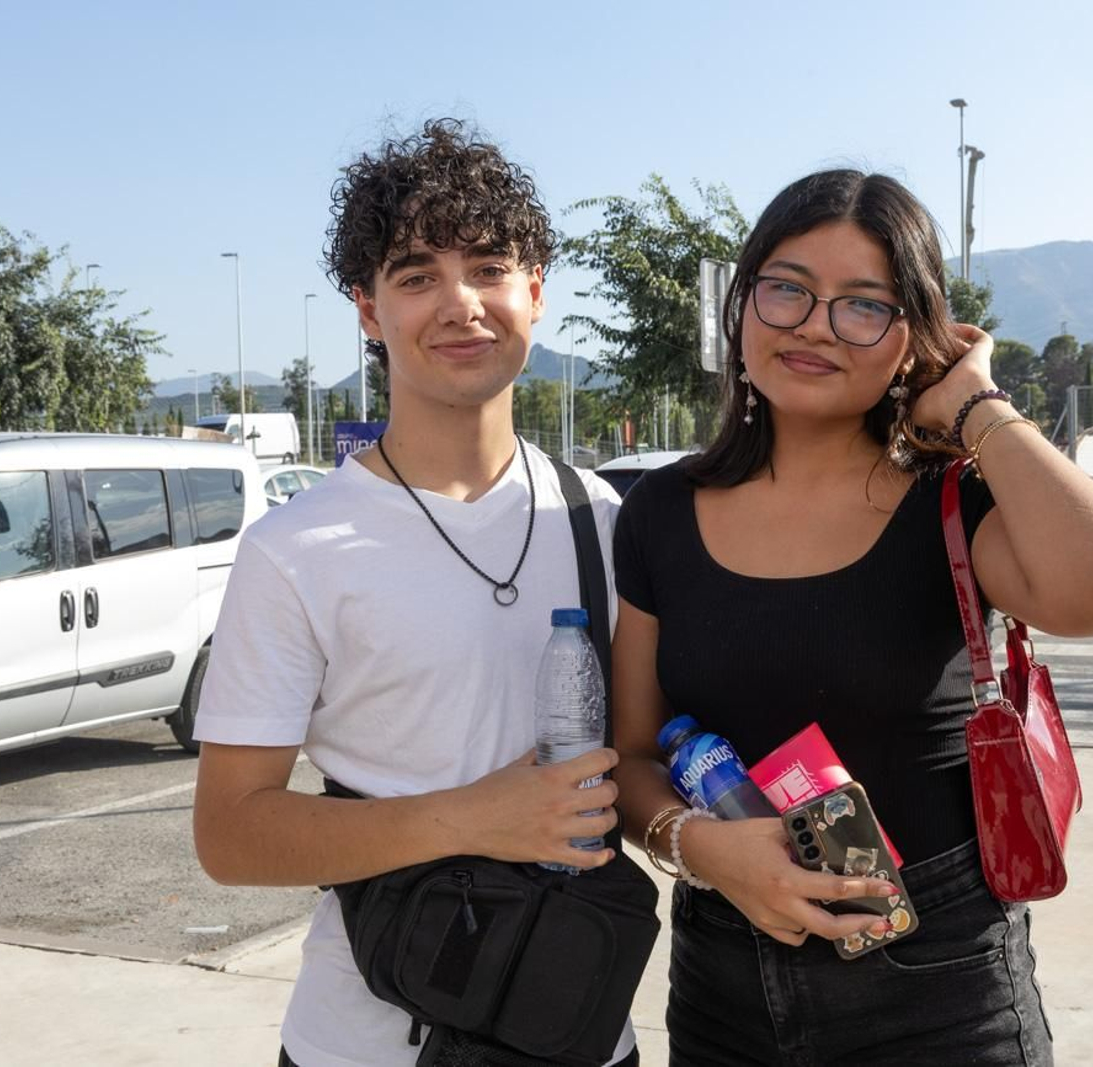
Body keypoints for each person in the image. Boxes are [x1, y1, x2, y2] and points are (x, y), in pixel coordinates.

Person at [611, 169, 1093, 1065]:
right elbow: (632, 755)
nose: (816, 324)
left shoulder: (953, 501)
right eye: (786, 289)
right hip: (724, 984)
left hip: (939, 985)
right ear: (742, 304)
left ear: (914, 340)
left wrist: (976, 406)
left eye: (864, 305)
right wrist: (704, 849)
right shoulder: (662, 512)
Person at [191, 119, 637, 1067]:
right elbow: (230, 832)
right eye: (416, 274)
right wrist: (476, 815)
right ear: (367, 308)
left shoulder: (595, 514)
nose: (460, 303)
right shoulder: (295, 549)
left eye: (487, 266)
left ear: (537, 294)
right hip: (367, 1040)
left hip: (579, 1023)